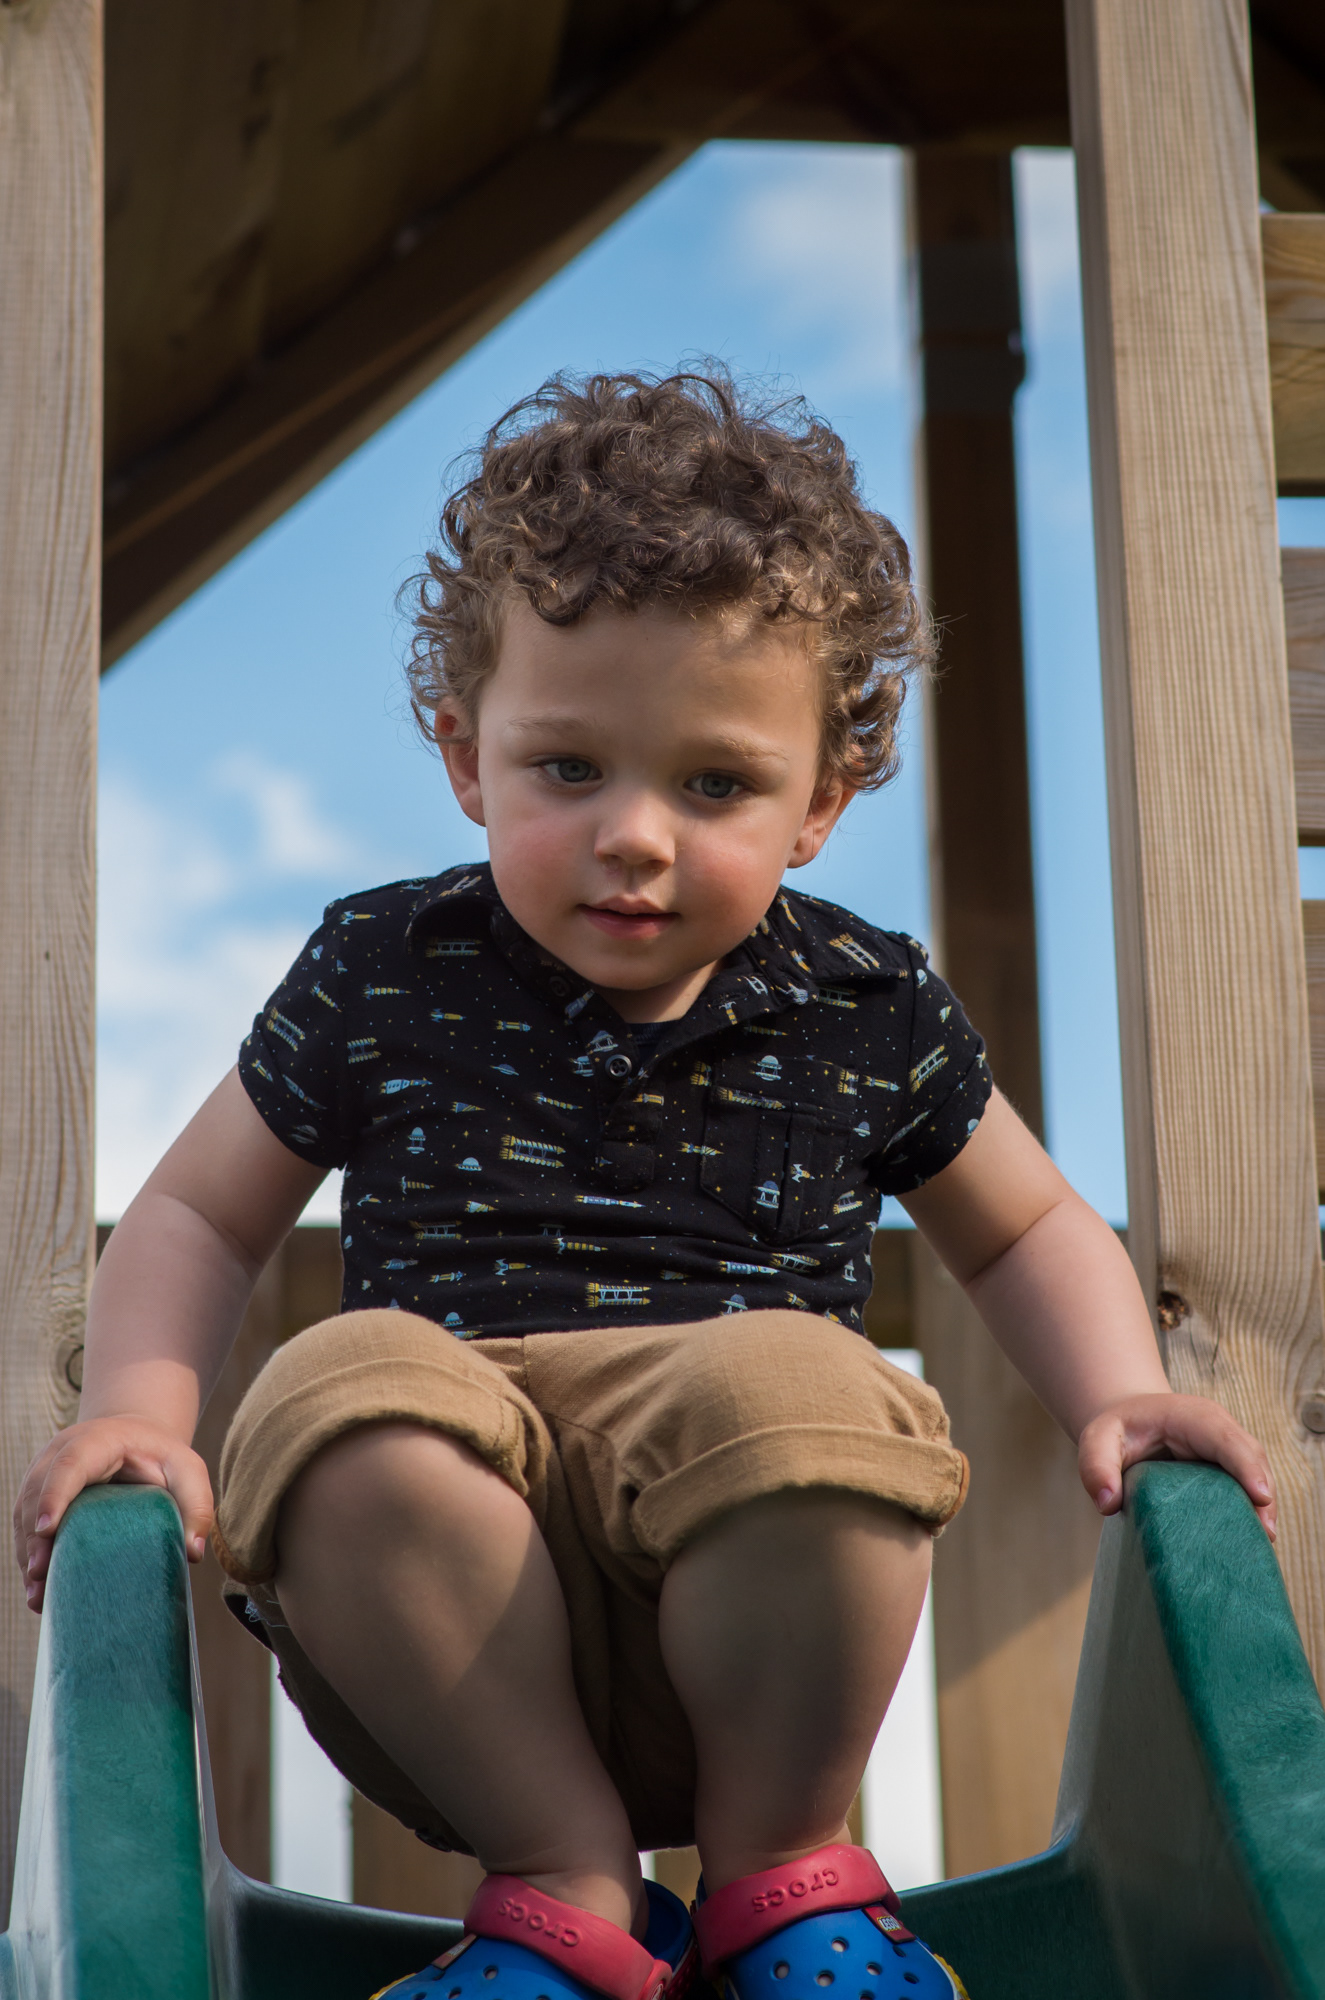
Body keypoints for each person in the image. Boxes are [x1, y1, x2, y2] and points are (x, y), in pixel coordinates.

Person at [15, 371, 1275, 2000]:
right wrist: (139, 1408)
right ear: (465, 758)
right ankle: (568, 1895)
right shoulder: (384, 968)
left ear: (818, 803)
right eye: (567, 768)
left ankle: (778, 1887)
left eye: (713, 785)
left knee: (803, 1382)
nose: (634, 836)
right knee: (342, 1385)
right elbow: (198, 1210)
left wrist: (1119, 1395)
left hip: (749, 1626)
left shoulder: (862, 1003)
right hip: (450, 1634)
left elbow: (1026, 1222)